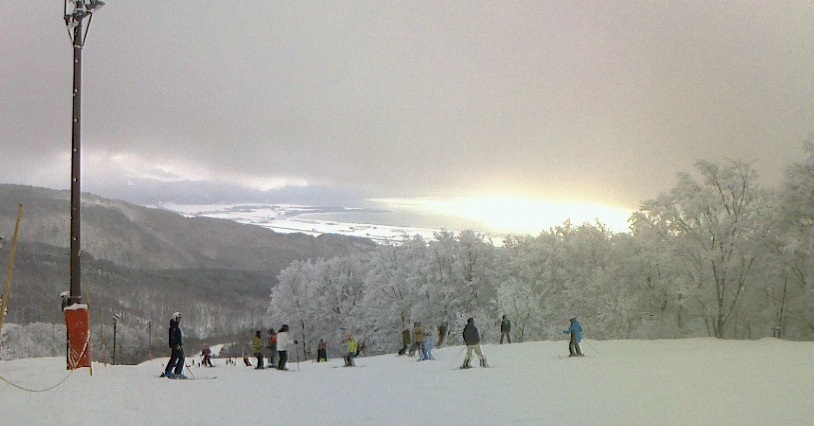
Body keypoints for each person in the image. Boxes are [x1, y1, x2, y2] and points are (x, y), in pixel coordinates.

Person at [162, 312, 186, 379]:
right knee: (181, 358)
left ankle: (168, 372)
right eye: (178, 318)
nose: (179, 320)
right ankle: (176, 373)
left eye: (180, 319)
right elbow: (172, 337)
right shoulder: (174, 327)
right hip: (176, 346)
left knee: (175, 358)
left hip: (177, 346)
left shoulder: (175, 326)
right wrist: (176, 345)